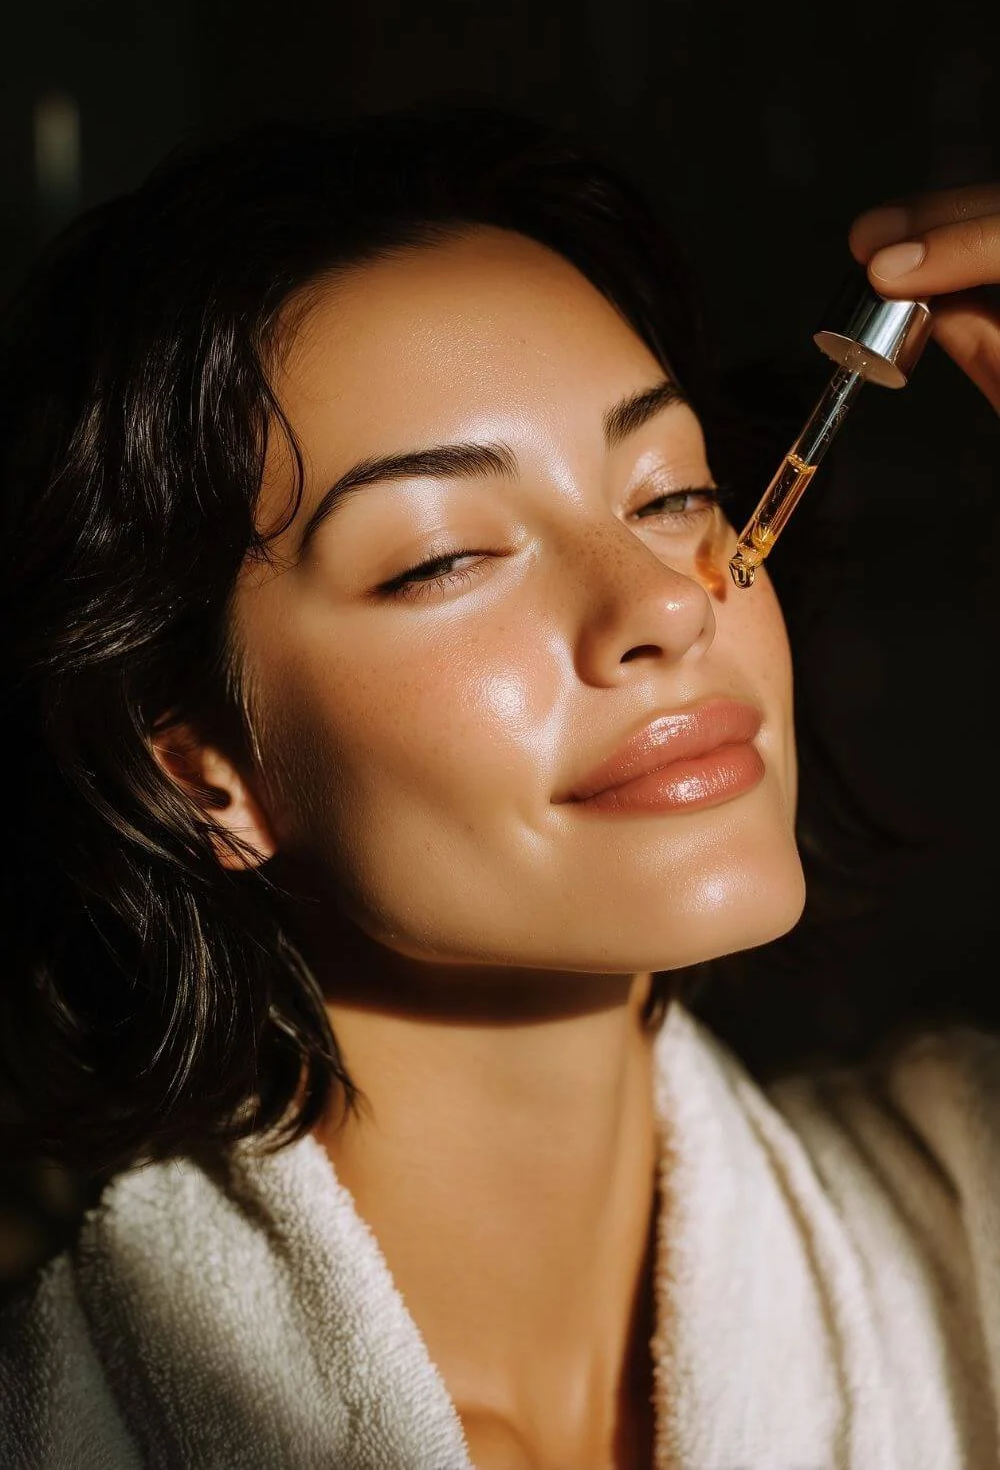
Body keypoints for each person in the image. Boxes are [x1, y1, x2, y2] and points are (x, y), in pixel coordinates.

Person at [0, 102, 997, 1470]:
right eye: (445, 559)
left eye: (670, 494)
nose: (659, 605)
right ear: (203, 773)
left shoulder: (965, 1240)